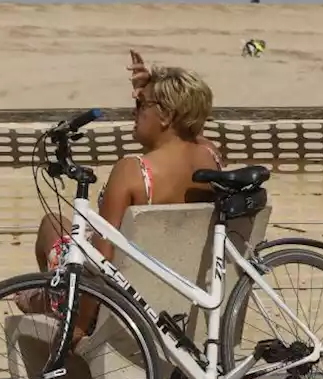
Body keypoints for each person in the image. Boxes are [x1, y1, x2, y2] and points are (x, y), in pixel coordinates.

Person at [16, 50, 222, 344]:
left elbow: (101, 262)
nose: (134, 111)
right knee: (60, 227)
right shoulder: (210, 158)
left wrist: (78, 328)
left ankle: (43, 301)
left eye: (141, 104)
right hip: (184, 294)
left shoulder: (133, 171)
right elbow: (194, 135)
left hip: (121, 305)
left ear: (166, 115)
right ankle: (44, 298)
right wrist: (157, 93)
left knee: (51, 226)